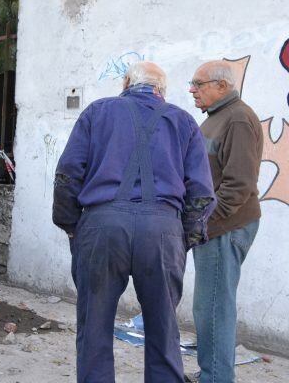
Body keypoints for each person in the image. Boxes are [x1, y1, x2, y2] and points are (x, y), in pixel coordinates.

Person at [53, 61, 215, 383]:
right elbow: (201, 195)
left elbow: (67, 174)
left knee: (94, 328)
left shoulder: (97, 112)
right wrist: (182, 240)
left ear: (126, 82)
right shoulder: (184, 121)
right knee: (164, 332)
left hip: (102, 226)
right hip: (163, 230)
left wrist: (71, 225)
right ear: (162, 91)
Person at [188, 61, 262, 383]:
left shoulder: (239, 119)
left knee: (214, 309)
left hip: (224, 228)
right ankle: (212, 373)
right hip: (212, 228)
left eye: (198, 83)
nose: (192, 89)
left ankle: (216, 379)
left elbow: (238, 186)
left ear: (222, 86)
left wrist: (203, 220)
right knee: (207, 309)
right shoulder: (215, 120)